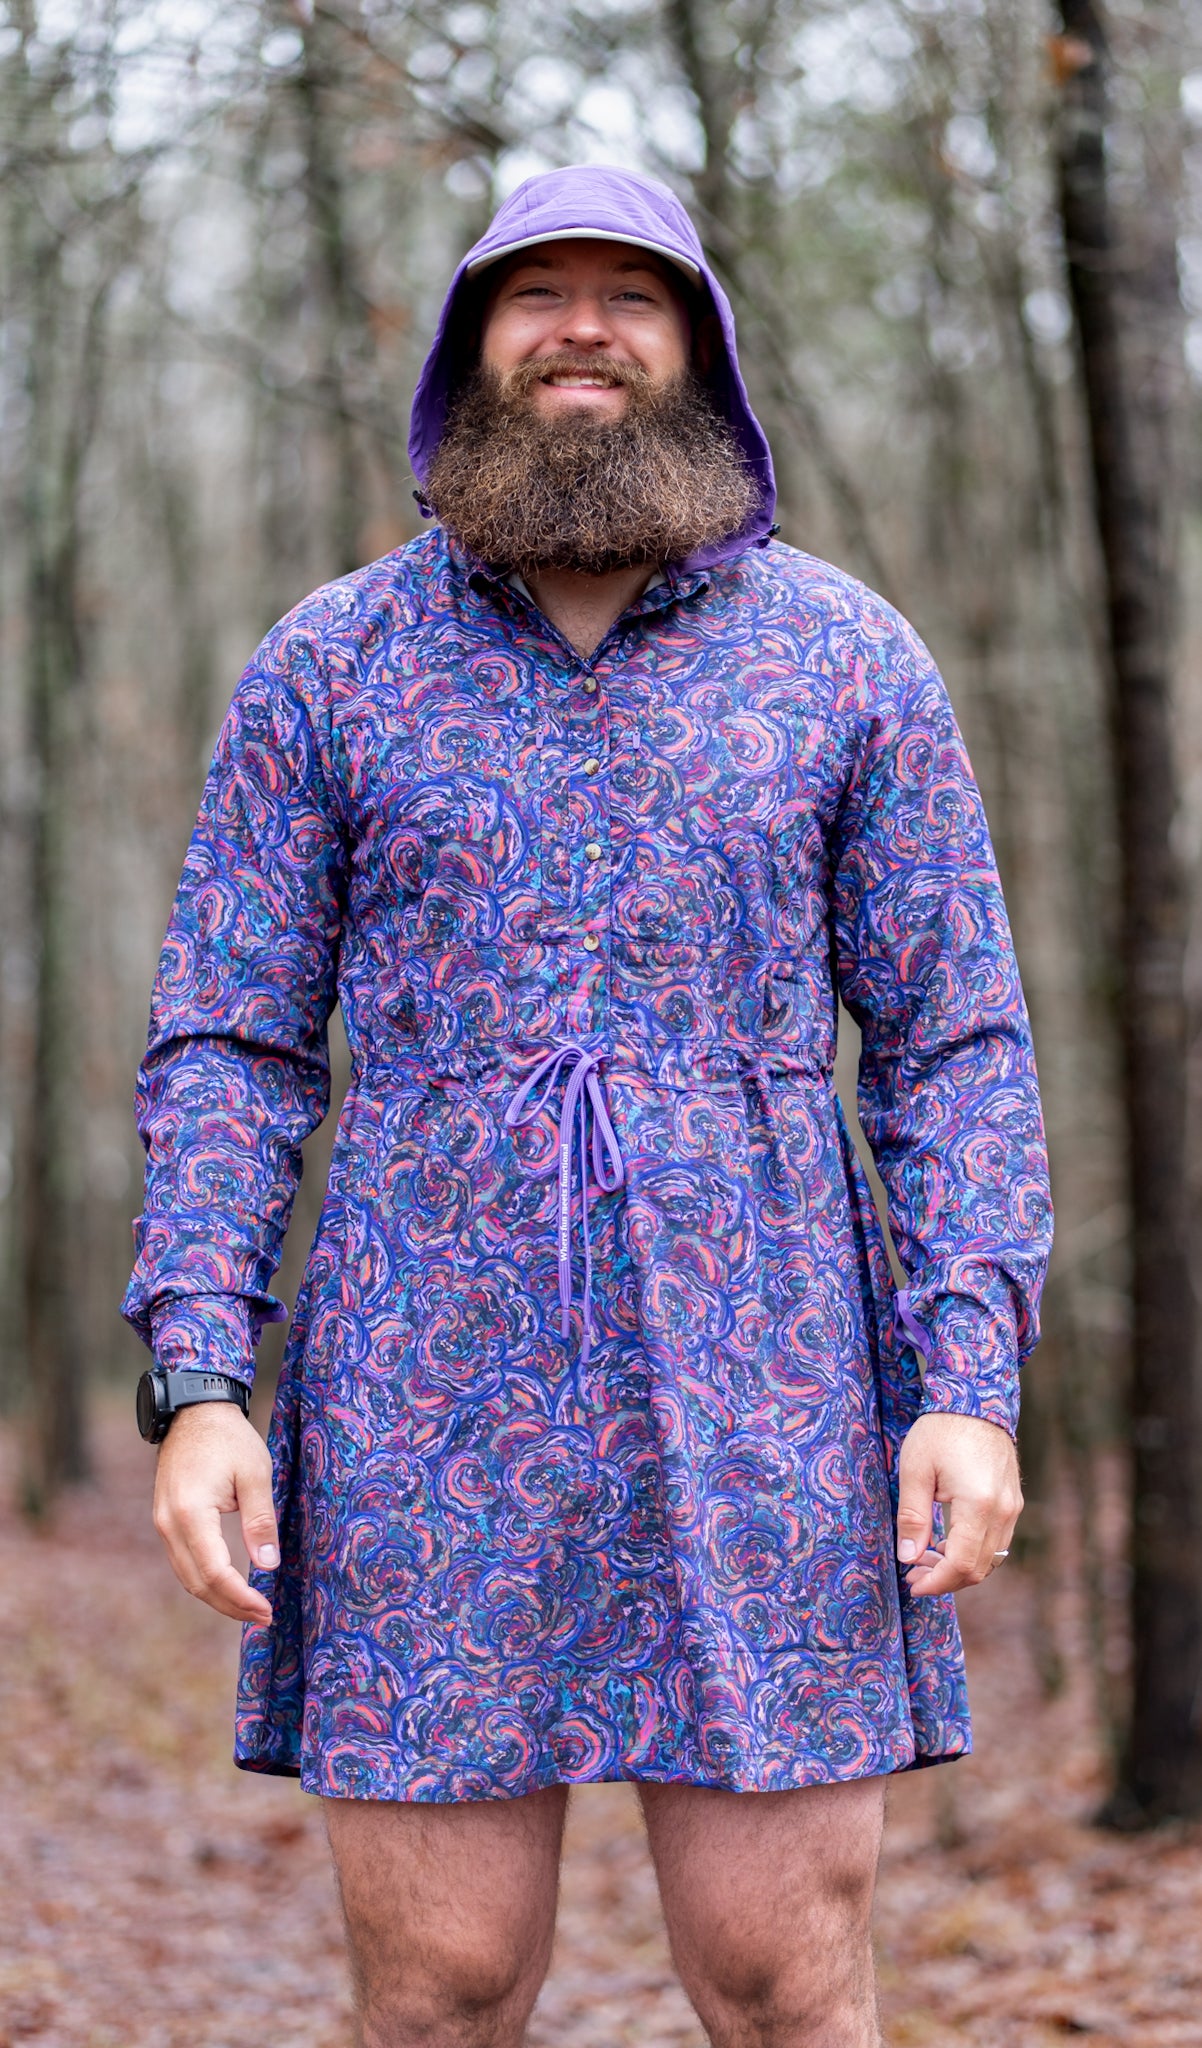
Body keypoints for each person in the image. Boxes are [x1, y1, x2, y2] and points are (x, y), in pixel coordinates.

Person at [123, 165, 1052, 2048]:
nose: (581, 329)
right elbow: (230, 1036)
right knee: (442, 1988)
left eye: (631, 295)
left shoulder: (843, 658)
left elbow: (953, 1042)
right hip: (424, 1386)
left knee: (782, 1980)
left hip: (771, 1387)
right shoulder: (333, 665)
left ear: (698, 346)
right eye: (532, 291)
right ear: (467, 345)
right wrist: (200, 1372)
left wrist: (967, 1376)